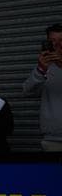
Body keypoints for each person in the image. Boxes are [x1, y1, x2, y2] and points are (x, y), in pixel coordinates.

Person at [24, 23, 62, 151]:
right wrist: (41, 70)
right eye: (53, 41)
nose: (57, 45)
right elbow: (27, 91)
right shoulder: (45, 67)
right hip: (52, 139)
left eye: (61, 40)